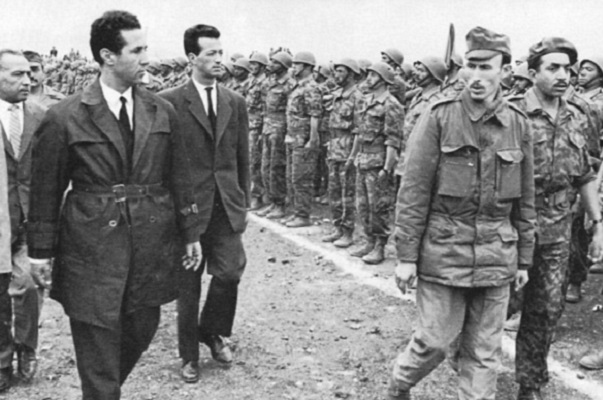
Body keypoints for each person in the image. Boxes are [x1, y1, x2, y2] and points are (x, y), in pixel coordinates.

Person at [27, 11, 202, 399]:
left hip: (148, 242)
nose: (146, 58)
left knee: (143, 325)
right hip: (91, 246)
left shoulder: (161, 110)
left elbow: (180, 176)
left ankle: (100, 390)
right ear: (107, 56)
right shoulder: (65, 116)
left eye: (145, 48)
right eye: (136, 50)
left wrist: (190, 232)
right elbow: (45, 190)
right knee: (98, 339)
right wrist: (40, 252)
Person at [388, 27, 536, 400]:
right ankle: (399, 385)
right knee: (434, 342)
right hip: (444, 250)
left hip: (497, 253)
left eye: (487, 67)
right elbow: (414, 191)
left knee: (484, 352)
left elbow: (526, 199)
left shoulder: (518, 123)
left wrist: (524, 259)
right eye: (471, 65)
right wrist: (406, 257)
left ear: (505, 71)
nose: (477, 76)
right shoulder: (439, 116)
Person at [510, 37, 603, 400]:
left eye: (568, 68)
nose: (564, 75)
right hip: (513, 224)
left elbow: (586, 172)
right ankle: (471, 358)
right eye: (553, 68)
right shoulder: (511, 112)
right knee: (498, 302)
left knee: (546, 307)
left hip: (558, 226)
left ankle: (530, 382)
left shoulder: (581, 113)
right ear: (533, 73)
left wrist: (597, 224)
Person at [159, 23, 250, 384]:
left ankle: (211, 331)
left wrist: (242, 201)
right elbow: (162, 162)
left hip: (225, 205)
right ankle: (189, 355)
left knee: (230, 271)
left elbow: (242, 157)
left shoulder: (234, 101)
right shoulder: (169, 101)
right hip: (188, 207)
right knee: (188, 282)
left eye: (220, 52)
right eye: (211, 53)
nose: (219, 59)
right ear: (192, 58)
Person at [0, 49, 47, 392]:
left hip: (30, 219)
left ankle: (27, 348)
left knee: (29, 285)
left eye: (29, 74)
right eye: (17, 74)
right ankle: (2, 362)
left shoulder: (41, 116)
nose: (27, 81)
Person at [349, 62, 403, 265]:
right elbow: (359, 132)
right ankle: (369, 241)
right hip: (364, 159)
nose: (369, 78)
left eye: (373, 75)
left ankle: (380, 246)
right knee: (362, 205)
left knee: (379, 206)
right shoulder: (367, 100)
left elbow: (393, 139)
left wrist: (387, 168)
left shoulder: (391, 104)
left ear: (383, 79)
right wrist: (354, 155)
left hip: (378, 162)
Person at [321, 58, 363, 249]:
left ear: (351, 74)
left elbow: (359, 130)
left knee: (348, 193)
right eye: (335, 71)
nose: (336, 75)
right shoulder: (338, 94)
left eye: (340, 71)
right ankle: (337, 226)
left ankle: (348, 231)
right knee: (334, 191)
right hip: (334, 148)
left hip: (347, 149)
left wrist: (353, 156)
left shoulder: (358, 97)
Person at [283, 51, 323, 228]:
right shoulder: (297, 87)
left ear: (307, 67)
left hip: (303, 138)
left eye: (297, 64)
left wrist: (312, 139)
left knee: (302, 179)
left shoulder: (311, 88)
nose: (293, 67)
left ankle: (303, 215)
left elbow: (315, 115)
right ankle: (296, 212)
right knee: (292, 177)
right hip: (293, 137)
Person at [393, 56, 446, 184]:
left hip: (420, 165)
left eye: (421, 71)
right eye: (416, 70)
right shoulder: (418, 97)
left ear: (433, 75)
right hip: (405, 160)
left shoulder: (436, 101)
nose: (415, 73)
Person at [255, 51, 294, 220]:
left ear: (284, 66)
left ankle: (280, 204)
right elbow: (265, 107)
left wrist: (288, 132)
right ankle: (272, 201)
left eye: (275, 62)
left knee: (277, 167)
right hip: (268, 128)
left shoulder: (290, 84)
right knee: (266, 166)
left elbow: (291, 111)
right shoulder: (269, 83)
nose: (270, 65)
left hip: (280, 129)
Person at [246, 52, 269, 211]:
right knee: (249, 161)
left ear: (262, 66)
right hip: (249, 124)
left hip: (258, 127)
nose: (252, 67)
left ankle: (257, 196)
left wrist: (261, 130)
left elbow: (266, 108)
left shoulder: (265, 84)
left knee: (255, 162)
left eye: (255, 64)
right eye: (251, 63)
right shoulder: (252, 81)